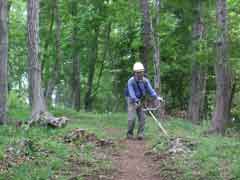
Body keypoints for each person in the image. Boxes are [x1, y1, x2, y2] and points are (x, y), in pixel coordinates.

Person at [125, 62, 162, 140]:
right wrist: (135, 100)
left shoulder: (145, 81)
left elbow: (151, 90)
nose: (141, 74)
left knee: (142, 117)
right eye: (139, 72)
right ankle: (129, 134)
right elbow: (131, 93)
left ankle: (140, 134)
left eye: (142, 72)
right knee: (132, 118)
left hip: (140, 99)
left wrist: (156, 97)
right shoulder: (130, 81)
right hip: (131, 100)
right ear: (135, 73)